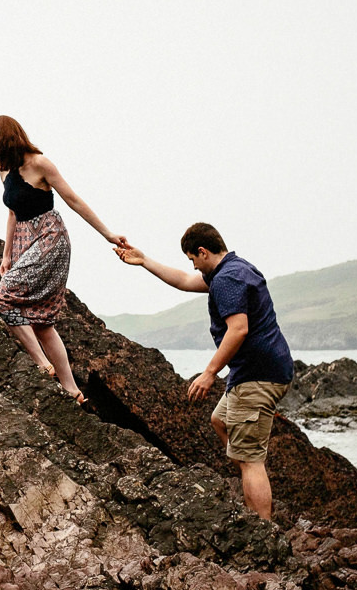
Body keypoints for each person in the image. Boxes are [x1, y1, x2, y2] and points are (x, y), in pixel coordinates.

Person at [114, 223, 294, 520]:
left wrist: (209, 372)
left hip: (258, 375)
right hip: (260, 370)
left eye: (193, 259)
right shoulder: (235, 269)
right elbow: (185, 281)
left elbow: (238, 329)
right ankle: (250, 486)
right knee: (219, 420)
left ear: (203, 251)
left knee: (250, 460)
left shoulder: (227, 280)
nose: (194, 267)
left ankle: (264, 529)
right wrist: (144, 261)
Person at [0, 115, 126, 403]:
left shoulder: (40, 163)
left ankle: (41, 364)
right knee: (42, 323)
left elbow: (73, 200)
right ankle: (72, 389)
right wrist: (6, 254)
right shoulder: (3, 168)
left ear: (5, 137)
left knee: (0, 298)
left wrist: (107, 234)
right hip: (24, 239)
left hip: (50, 237)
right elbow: (12, 212)